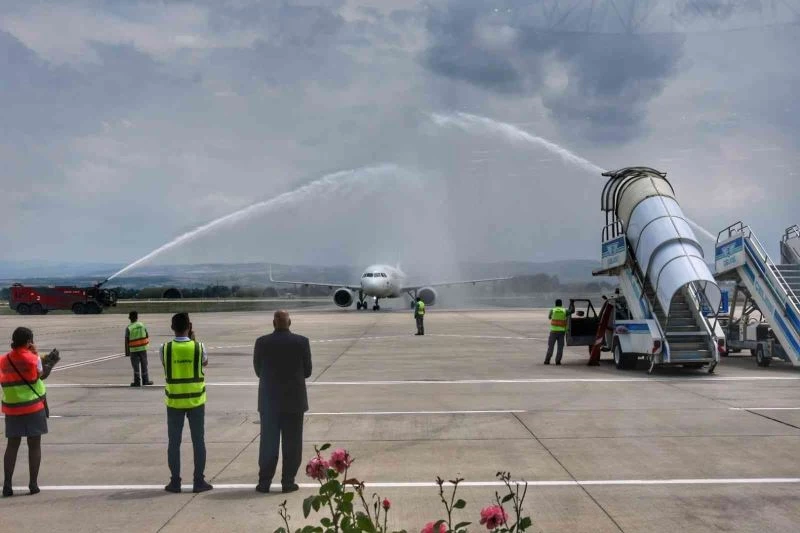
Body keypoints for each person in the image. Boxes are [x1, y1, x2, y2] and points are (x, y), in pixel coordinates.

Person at [253, 310, 312, 494]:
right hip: (294, 401)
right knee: (292, 444)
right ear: (290, 322)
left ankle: (264, 482)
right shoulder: (302, 342)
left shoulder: (261, 342)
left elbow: (258, 370)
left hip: (269, 402)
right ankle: (288, 482)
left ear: (273, 323)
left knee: (268, 444)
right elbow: (308, 371)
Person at [1, 327, 59, 497]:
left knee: (12, 445)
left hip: (12, 407)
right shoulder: (33, 359)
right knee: (34, 446)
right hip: (33, 407)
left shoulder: (3, 360)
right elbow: (41, 376)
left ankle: (7, 485)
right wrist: (49, 362)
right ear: (28, 342)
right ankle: (33, 484)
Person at [161, 312, 212, 494]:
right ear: (189, 326)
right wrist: (194, 339)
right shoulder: (199, 347)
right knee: (198, 441)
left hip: (174, 402)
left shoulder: (165, 348)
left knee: (174, 443)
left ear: (172, 327)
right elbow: (204, 363)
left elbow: (166, 365)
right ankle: (199, 481)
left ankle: (175, 482)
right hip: (196, 401)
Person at [125, 311, 153, 387]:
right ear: (137, 317)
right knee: (144, 364)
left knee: (135, 366)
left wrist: (127, 352)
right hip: (143, 348)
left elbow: (126, 340)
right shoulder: (142, 325)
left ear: (130, 318)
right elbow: (147, 335)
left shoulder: (129, 328)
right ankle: (145, 381)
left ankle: (137, 382)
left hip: (133, 350)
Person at [544, 299, 569, 365]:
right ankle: (558, 361)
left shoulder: (552, 310)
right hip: (561, 332)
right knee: (560, 348)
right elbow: (572, 311)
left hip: (553, 331)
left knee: (550, 347)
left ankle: (547, 360)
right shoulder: (565, 311)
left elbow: (549, 317)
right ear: (561, 304)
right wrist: (572, 304)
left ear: (555, 304)